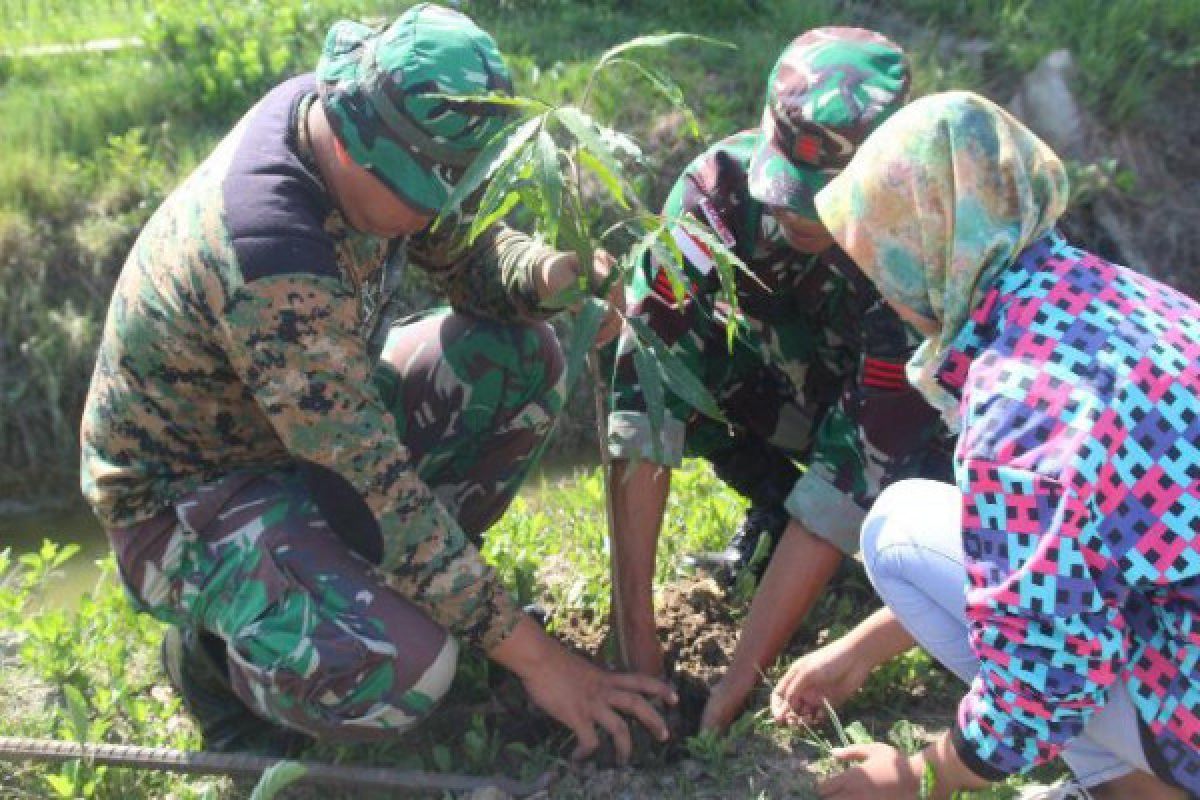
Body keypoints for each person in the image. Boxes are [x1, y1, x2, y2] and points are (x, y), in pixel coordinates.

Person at [80, 3, 671, 762]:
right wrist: (542, 661)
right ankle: (216, 666)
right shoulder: (271, 257)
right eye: (426, 196)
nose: (435, 214)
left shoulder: (371, 121)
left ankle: (402, 593)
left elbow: (467, 254)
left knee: (521, 359)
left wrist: (550, 274)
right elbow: (375, 491)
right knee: (408, 670)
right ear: (363, 154)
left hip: (306, 429)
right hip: (191, 497)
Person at [772, 90, 1198, 799]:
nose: (881, 286)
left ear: (926, 249)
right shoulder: (1117, 294)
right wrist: (863, 648)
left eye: (881, 257)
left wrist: (914, 777)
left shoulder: (1019, 406)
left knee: (899, 526)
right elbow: (1065, 559)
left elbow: (1049, 677)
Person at [605, 27, 950, 732]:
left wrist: (733, 689)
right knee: (666, 350)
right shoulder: (717, 195)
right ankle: (770, 502)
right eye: (785, 189)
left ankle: (916, 572)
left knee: (914, 492)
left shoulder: (919, 257)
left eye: (819, 199)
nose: (793, 210)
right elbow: (646, 388)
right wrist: (635, 638)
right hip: (800, 390)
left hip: (915, 444)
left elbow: (854, 463)